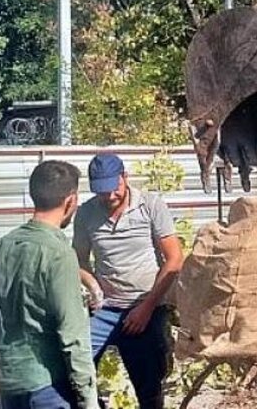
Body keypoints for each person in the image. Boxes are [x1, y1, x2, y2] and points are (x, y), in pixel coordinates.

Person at [0, 160, 98, 409]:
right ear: (71, 200)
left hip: (10, 386)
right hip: (49, 387)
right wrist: (89, 399)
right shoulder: (59, 254)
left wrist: (11, 366)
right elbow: (73, 336)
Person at [73, 153, 184, 409]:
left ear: (125, 177)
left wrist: (146, 308)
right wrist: (93, 288)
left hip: (146, 306)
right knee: (76, 368)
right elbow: (78, 260)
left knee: (149, 385)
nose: (110, 196)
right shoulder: (86, 213)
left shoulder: (150, 205)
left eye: (114, 188)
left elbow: (174, 259)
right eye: (102, 191)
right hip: (105, 310)